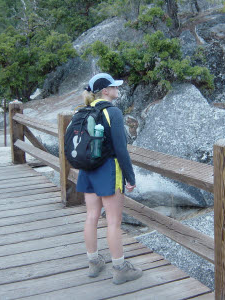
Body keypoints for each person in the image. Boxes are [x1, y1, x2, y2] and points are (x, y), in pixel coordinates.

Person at [77, 73, 142, 284]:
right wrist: (130, 177)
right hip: (108, 170)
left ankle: (94, 262)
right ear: (106, 91)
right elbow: (121, 150)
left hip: (87, 169)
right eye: (114, 86)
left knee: (91, 216)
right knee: (113, 222)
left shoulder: (85, 110)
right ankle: (120, 268)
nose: (117, 89)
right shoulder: (112, 112)